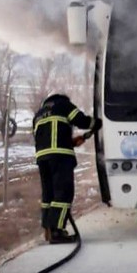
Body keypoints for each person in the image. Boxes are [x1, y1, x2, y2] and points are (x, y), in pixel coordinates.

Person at [32, 93, 102, 244]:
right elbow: (82, 121)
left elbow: (47, 137)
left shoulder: (38, 114)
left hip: (42, 158)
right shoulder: (63, 105)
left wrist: (70, 141)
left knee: (48, 195)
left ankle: (48, 229)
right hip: (60, 156)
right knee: (63, 193)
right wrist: (97, 123)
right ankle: (57, 231)